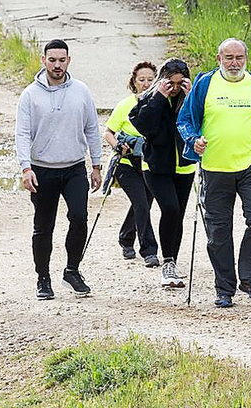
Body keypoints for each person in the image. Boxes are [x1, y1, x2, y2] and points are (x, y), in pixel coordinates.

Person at [177, 38, 251, 307]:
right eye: (229, 58)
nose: (234, 63)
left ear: (246, 58)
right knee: (218, 231)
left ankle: (250, 278)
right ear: (219, 59)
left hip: (250, 166)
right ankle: (224, 288)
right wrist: (193, 140)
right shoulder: (205, 83)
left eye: (239, 57)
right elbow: (185, 120)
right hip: (214, 169)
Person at [17, 39, 102, 300]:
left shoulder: (81, 90)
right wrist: (25, 168)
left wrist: (96, 164)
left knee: (79, 217)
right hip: (42, 170)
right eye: (52, 60)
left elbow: (92, 128)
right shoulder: (30, 94)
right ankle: (43, 278)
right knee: (44, 226)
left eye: (61, 60)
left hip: (74, 167)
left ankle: (72, 270)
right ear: (43, 61)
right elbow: (22, 133)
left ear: (68, 60)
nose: (57, 65)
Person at [129, 58, 195, 288]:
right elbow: (143, 125)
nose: (175, 88)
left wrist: (189, 96)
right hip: (156, 166)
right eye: (171, 83)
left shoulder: (190, 98)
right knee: (170, 208)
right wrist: (159, 97)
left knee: (178, 215)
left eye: (180, 83)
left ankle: (173, 261)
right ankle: (167, 263)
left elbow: (199, 122)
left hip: (184, 165)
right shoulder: (149, 98)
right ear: (163, 80)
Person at [104, 61, 160, 267]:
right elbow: (108, 132)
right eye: (141, 80)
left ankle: (126, 238)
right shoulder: (125, 105)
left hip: (151, 162)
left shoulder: (160, 104)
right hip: (126, 163)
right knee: (142, 204)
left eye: (150, 79)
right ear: (134, 82)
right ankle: (149, 251)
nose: (146, 84)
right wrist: (119, 145)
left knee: (142, 205)